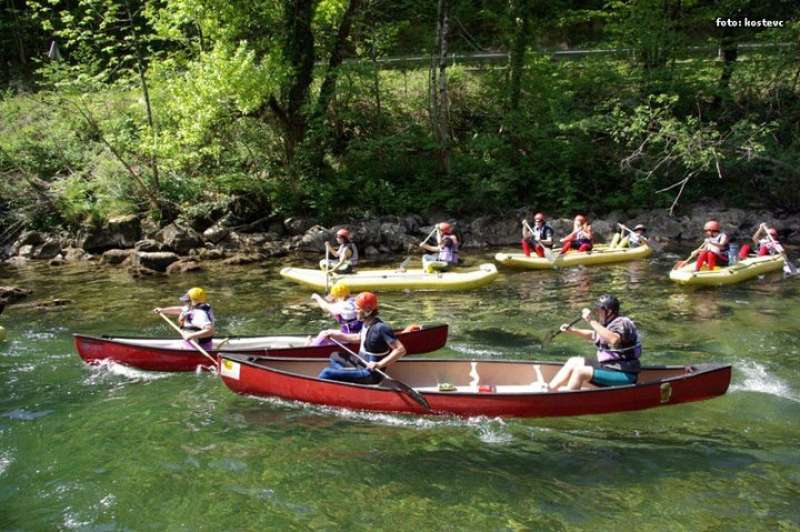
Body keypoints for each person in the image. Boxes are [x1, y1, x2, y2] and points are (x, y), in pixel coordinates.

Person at [547, 295, 641, 391]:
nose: (597, 312)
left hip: (625, 374)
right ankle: (548, 390)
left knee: (580, 371)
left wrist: (591, 320)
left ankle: (565, 401)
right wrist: (573, 330)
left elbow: (614, 340)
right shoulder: (608, 324)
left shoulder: (623, 323)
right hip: (609, 367)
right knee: (574, 361)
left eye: (599, 310)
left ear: (609, 312)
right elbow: (593, 335)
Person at [317, 292, 407, 384]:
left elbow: (400, 350)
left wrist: (379, 364)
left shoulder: (381, 328)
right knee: (334, 356)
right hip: (361, 364)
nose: (355, 311)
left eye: (358, 309)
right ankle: (346, 376)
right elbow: (358, 337)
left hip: (370, 374)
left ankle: (342, 378)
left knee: (326, 373)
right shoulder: (365, 323)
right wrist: (334, 335)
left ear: (368, 310)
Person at [308, 281, 363, 346]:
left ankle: (310, 347)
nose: (334, 300)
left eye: (335, 297)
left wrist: (317, 297)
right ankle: (313, 343)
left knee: (324, 334)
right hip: (354, 334)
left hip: (351, 338)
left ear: (340, 297)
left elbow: (325, 307)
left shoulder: (345, 306)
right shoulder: (353, 301)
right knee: (327, 331)